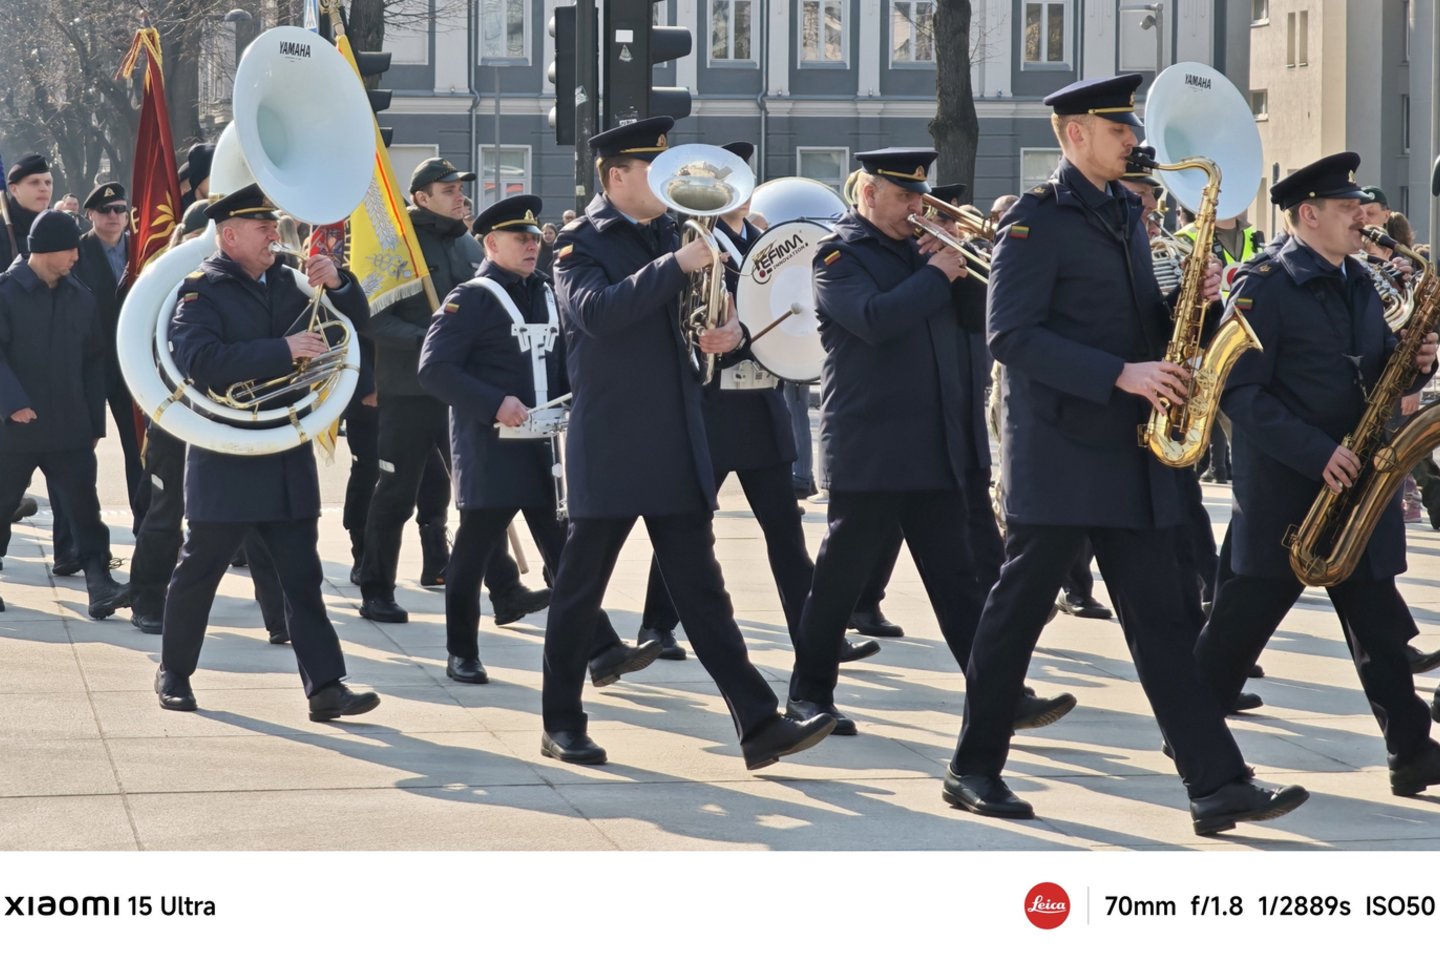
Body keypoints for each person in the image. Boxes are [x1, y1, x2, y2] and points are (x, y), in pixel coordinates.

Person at [945, 74, 1307, 835]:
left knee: (1164, 625)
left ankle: (1217, 784)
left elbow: (1138, 324)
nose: (1135, 141)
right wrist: (1120, 374)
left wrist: (1197, 302)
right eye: (1119, 130)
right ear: (1073, 134)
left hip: (1129, 455)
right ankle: (972, 768)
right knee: (1014, 618)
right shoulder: (1033, 223)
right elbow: (1009, 334)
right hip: (1063, 457)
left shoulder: (1123, 215)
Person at [545, 117, 835, 768]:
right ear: (617, 177)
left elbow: (702, 310)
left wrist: (727, 320)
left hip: (676, 435)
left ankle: (758, 723)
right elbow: (598, 314)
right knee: (580, 588)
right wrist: (676, 266)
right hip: (613, 440)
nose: (669, 181)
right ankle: (560, 720)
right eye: (654, 169)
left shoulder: (676, 233)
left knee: (703, 592)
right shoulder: (578, 243)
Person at [787, 151, 1074, 738]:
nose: (918, 208)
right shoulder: (839, 254)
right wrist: (936, 272)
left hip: (936, 444)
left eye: (920, 197)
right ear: (867, 193)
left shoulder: (925, 252)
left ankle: (1000, 693)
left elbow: (983, 320)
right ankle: (808, 695)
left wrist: (968, 267)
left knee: (960, 581)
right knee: (839, 581)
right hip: (871, 446)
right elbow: (873, 319)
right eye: (903, 197)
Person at [1194, 153, 1440, 798]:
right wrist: (1314, 452)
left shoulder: (1358, 279)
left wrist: (1413, 364)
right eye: (1346, 207)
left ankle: (1411, 751)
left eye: (1361, 205)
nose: (1362, 216)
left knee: (1380, 630)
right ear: (1308, 214)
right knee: (1239, 626)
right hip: (1289, 489)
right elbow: (1237, 394)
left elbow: (1377, 374)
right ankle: (1192, 734)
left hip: (1358, 480)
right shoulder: (1262, 284)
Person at [635, 141, 874, 665]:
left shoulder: (764, 239)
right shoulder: (694, 241)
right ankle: (656, 625)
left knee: (785, 529)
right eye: (721, 185)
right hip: (713, 403)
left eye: (737, 182)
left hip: (761, 399)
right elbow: (692, 321)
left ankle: (815, 635)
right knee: (690, 524)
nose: (733, 194)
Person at [154, 184, 379, 721]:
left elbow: (351, 327)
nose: (274, 236)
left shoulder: (290, 280)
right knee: (200, 570)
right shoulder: (200, 290)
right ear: (229, 235)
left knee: (302, 577)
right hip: (227, 451)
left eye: (274, 226)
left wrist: (340, 285)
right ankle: (174, 672)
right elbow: (199, 359)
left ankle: (325, 687)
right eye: (262, 228)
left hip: (284, 448)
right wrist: (282, 351)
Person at [419, 193, 658, 686]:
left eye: (533, 238)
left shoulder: (550, 290)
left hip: (546, 449)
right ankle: (461, 651)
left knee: (567, 554)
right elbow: (435, 370)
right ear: (491, 243)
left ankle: (602, 649)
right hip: (491, 448)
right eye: (519, 239)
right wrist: (493, 403)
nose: (532, 246)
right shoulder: (470, 299)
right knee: (472, 552)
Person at [357, 157, 547, 625]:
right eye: (447, 189)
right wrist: (435, 340)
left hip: (464, 393)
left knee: (481, 495)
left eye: (460, 188)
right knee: (396, 493)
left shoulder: (468, 244)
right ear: (420, 197)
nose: (459, 195)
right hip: (408, 390)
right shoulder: (398, 248)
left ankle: (504, 591)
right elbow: (374, 318)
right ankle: (376, 587)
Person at [126, 200, 291, 645]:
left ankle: (280, 617)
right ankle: (146, 601)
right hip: (177, 416)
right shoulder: (174, 282)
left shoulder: (245, 282)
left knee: (259, 522)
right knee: (165, 514)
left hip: (229, 416)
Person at [0, 211, 129, 619]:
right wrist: (12, 403)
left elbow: (94, 362)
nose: (77, 254)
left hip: (69, 427)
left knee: (84, 509)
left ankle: (99, 582)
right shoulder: (6, 293)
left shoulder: (81, 295)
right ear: (43, 250)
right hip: (14, 428)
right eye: (69, 247)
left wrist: (93, 422)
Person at [73, 182, 143, 508]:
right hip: (89, 363)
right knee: (80, 449)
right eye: (106, 210)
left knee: (140, 448)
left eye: (120, 209)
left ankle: (148, 526)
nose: (115, 216)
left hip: (132, 363)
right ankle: (78, 532)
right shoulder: (76, 251)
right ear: (90, 215)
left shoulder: (142, 248)